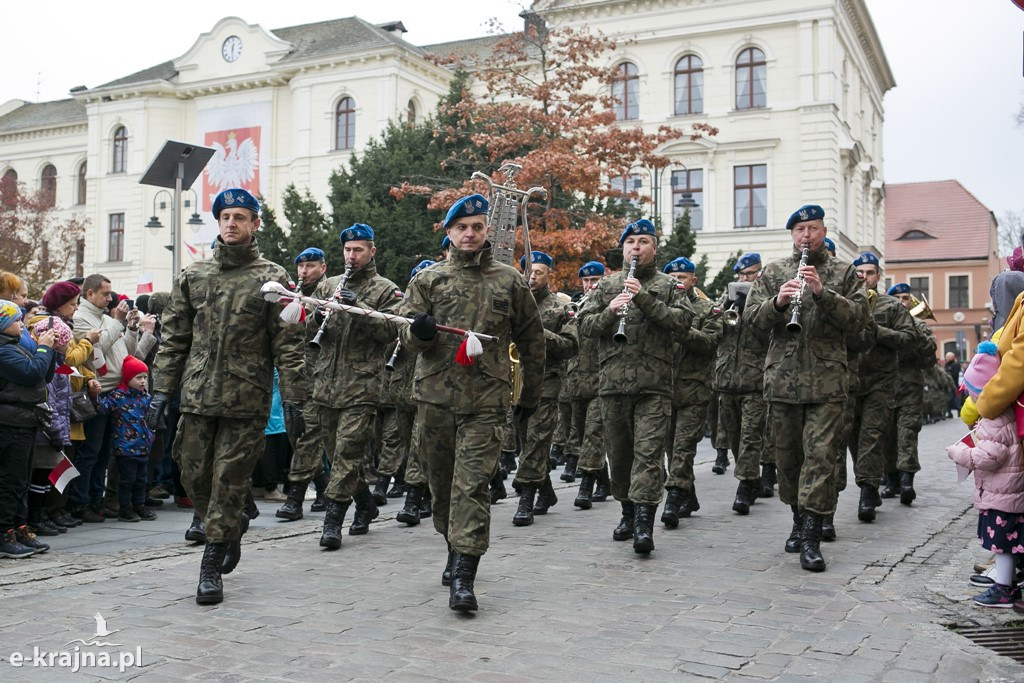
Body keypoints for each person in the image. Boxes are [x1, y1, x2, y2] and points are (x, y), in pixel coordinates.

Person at [148, 187, 306, 605]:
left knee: (229, 479)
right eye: (225, 217)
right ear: (218, 223)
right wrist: (161, 391)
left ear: (255, 223)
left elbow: (289, 344)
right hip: (198, 395)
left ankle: (211, 565)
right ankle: (229, 525)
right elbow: (174, 339)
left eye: (241, 217)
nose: (232, 223)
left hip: (246, 399)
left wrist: (293, 398)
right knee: (192, 473)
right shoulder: (194, 276)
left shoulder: (272, 280)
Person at [399, 193, 545, 611]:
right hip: (436, 399)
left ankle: (465, 574)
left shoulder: (509, 280)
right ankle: (453, 542)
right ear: (448, 233)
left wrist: (528, 395)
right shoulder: (428, 281)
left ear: (486, 233)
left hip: (487, 401)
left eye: (477, 227)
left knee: (472, 486)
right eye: (462, 227)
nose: (470, 233)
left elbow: (532, 340)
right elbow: (405, 336)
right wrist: (420, 332)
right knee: (442, 487)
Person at [744, 204, 867, 572]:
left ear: (823, 231)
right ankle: (798, 518)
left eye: (812, 228)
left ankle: (812, 535)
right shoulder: (774, 271)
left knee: (821, 457)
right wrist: (778, 303)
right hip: (782, 381)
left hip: (827, 384)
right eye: (799, 230)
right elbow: (751, 321)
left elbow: (860, 321)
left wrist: (822, 294)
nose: (805, 236)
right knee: (788, 460)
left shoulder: (844, 272)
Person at [577, 218, 694, 555]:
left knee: (649, 454)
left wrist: (645, 300)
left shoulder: (668, 285)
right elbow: (586, 327)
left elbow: (683, 322)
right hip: (612, 385)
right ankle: (627, 512)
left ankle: (644, 522)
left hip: (654, 387)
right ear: (623, 248)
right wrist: (610, 313)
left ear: (654, 248)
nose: (636, 248)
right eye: (631, 242)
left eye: (643, 241)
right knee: (621, 456)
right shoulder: (606, 286)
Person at [310, 224, 401, 548]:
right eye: (348, 250)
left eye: (358, 250)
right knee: (338, 458)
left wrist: (359, 307)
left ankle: (332, 521)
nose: (352, 256)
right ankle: (365, 504)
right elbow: (307, 327)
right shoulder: (328, 285)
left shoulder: (385, 289)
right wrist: (318, 313)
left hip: (362, 386)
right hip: (326, 384)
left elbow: (390, 333)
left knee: (348, 453)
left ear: (371, 251)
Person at [947, 342, 1024, 608]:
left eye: (972, 394)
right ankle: (1008, 585)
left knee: (1003, 546)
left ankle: (1004, 589)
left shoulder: (993, 419)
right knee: (1009, 544)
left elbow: (990, 457)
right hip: (1005, 494)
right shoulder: (1002, 414)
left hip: (1002, 497)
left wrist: (960, 454)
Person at [845, 253, 915, 523]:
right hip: (850, 382)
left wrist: (880, 333)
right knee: (853, 439)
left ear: (878, 276)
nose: (864, 276)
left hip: (881, 383)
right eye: (859, 272)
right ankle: (868, 482)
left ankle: (867, 490)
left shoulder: (891, 306)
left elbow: (910, 338)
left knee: (872, 437)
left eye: (869, 272)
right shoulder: (846, 304)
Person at [511, 251, 577, 526]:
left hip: (546, 382)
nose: (532, 277)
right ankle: (546, 491)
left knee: (537, 440)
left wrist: (539, 333)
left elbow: (571, 346)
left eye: (539, 272)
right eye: (528, 271)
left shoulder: (561, 308)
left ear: (550, 273)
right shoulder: (512, 304)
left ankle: (525, 498)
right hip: (514, 382)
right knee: (523, 443)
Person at [70, 274, 141, 522]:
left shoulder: (104, 318)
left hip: (116, 392)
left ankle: (95, 499)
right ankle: (81, 502)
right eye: (105, 293)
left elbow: (127, 353)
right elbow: (97, 352)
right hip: (98, 392)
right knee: (91, 452)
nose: (110, 298)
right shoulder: (81, 319)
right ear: (90, 294)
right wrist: (116, 321)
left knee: (104, 452)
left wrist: (130, 328)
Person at [661, 256, 722, 525]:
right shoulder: (660, 309)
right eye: (672, 278)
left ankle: (673, 498)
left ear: (693, 280)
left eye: (682, 277)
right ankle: (689, 493)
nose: (677, 282)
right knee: (670, 450)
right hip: (663, 390)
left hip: (694, 392)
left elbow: (710, 342)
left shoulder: (709, 310)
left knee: (684, 448)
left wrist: (681, 329)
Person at [714, 252, 773, 513]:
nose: (745, 278)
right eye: (741, 275)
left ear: (760, 273)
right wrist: (726, 308)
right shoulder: (727, 298)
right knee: (734, 434)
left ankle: (745, 485)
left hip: (755, 380)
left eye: (750, 274)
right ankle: (750, 475)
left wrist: (751, 307)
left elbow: (771, 330)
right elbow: (713, 327)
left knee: (750, 436)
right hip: (727, 379)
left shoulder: (767, 298)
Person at [276, 247, 331, 521]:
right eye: (301, 266)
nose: (304, 271)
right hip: (291, 376)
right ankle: (324, 486)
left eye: (310, 266)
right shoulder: (291, 296)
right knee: (296, 435)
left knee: (309, 435)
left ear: (323, 267)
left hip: (317, 376)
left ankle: (295, 497)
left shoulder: (330, 294)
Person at [0, 300, 58, 558]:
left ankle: (19, 527)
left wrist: (50, 350)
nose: (22, 325)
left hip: (24, 420)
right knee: (9, 481)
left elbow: (44, 374)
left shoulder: (14, 346)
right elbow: (32, 372)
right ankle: (4, 534)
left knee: (21, 480)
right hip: (10, 422)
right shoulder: (3, 351)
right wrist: (43, 348)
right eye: (16, 320)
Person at [881, 283, 937, 506]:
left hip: (910, 389)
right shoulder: (884, 320)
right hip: (885, 386)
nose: (903, 302)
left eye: (906, 298)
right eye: (898, 298)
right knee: (887, 437)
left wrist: (915, 332)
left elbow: (929, 359)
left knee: (908, 434)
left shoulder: (919, 325)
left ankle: (907, 482)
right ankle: (891, 479)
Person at [567, 261, 609, 509]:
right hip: (576, 383)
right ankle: (604, 481)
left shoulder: (609, 306)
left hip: (600, 381)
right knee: (585, 437)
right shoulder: (575, 307)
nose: (590, 286)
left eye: (595, 281)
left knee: (593, 434)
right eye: (586, 281)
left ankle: (586, 486)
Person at [95, 356, 156, 522]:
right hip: (125, 446)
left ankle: (140, 505)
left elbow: (150, 418)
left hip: (143, 445)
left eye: (145, 377)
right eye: (138, 377)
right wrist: (95, 395)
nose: (143, 381)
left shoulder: (145, 397)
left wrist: (151, 435)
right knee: (127, 480)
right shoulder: (118, 396)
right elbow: (103, 409)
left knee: (141, 480)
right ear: (128, 377)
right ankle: (125, 508)